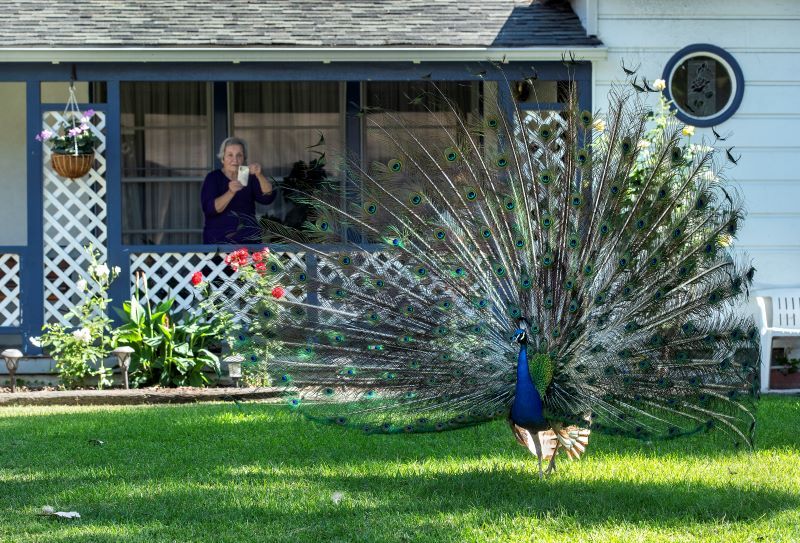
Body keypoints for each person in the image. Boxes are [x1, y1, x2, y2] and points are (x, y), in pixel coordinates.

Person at [201, 137, 276, 244]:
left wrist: (259, 175)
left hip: (248, 242)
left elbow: (268, 197)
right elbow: (210, 209)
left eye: (239, 155)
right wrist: (230, 192)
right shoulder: (213, 178)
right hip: (219, 243)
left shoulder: (248, 176)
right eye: (230, 155)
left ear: (244, 158)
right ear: (223, 158)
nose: (235, 160)